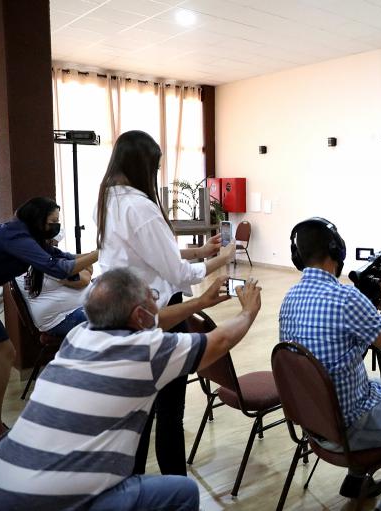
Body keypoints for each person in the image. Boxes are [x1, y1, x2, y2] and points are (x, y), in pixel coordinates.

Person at [0, 267, 263, 510]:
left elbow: (154, 321)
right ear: (140, 315)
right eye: (153, 297)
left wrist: (201, 302)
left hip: (2, 479)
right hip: (48, 502)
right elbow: (219, 341)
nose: (157, 302)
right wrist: (248, 310)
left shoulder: (79, 335)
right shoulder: (146, 351)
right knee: (182, 492)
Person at [95, 130, 235, 476]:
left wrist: (201, 251)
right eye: (156, 166)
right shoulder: (140, 206)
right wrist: (223, 258)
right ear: (144, 165)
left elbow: (148, 252)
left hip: (125, 310)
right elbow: (179, 272)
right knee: (169, 409)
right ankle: (175, 483)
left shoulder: (110, 198)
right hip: (154, 312)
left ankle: (135, 482)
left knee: (141, 409)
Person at [280, 218, 381, 511]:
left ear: (298, 257)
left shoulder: (289, 297)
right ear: (337, 251)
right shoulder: (346, 298)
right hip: (347, 421)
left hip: (312, 414)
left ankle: (358, 476)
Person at [0, 197, 98, 439]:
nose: (56, 227)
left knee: (2, 352)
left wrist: (95, 253)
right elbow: (61, 268)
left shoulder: (30, 239)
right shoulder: (17, 238)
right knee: (4, 352)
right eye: (53, 222)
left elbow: (65, 257)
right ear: (37, 220)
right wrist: (100, 253)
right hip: (56, 318)